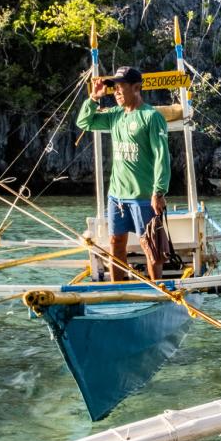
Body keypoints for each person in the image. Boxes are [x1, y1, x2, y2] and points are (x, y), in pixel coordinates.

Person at [76, 66, 171, 280]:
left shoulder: (151, 116)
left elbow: (161, 156)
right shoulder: (114, 115)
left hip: (143, 196)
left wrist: (158, 192)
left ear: (136, 87)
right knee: (115, 242)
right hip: (117, 196)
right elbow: (84, 122)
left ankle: (157, 290)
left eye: (120, 87)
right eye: (114, 88)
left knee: (150, 246)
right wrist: (93, 97)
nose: (116, 92)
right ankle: (118, 287)